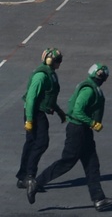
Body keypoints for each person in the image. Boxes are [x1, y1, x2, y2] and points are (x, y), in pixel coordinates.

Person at [26, 63, 112, 211]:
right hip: (78, 130)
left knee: (92, 164)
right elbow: (77, 111)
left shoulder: (90, 87)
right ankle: (36, 183)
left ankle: (99, 199)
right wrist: (93, 123)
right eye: (103, 76)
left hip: (83, 131)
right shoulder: (88, 90)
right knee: (67, 161)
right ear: (100, 76)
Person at [16, 48, 66, 189]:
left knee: (31, 143)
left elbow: (48, 97)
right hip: (35, 112)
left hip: (37, 111)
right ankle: (30, 176)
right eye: (58, 60)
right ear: (50, 60)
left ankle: (22, 177)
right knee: (41, 142)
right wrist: (30, 120)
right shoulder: (41, 76)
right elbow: (31, 98)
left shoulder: (51, 74)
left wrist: (59, 111)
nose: (60, 63)